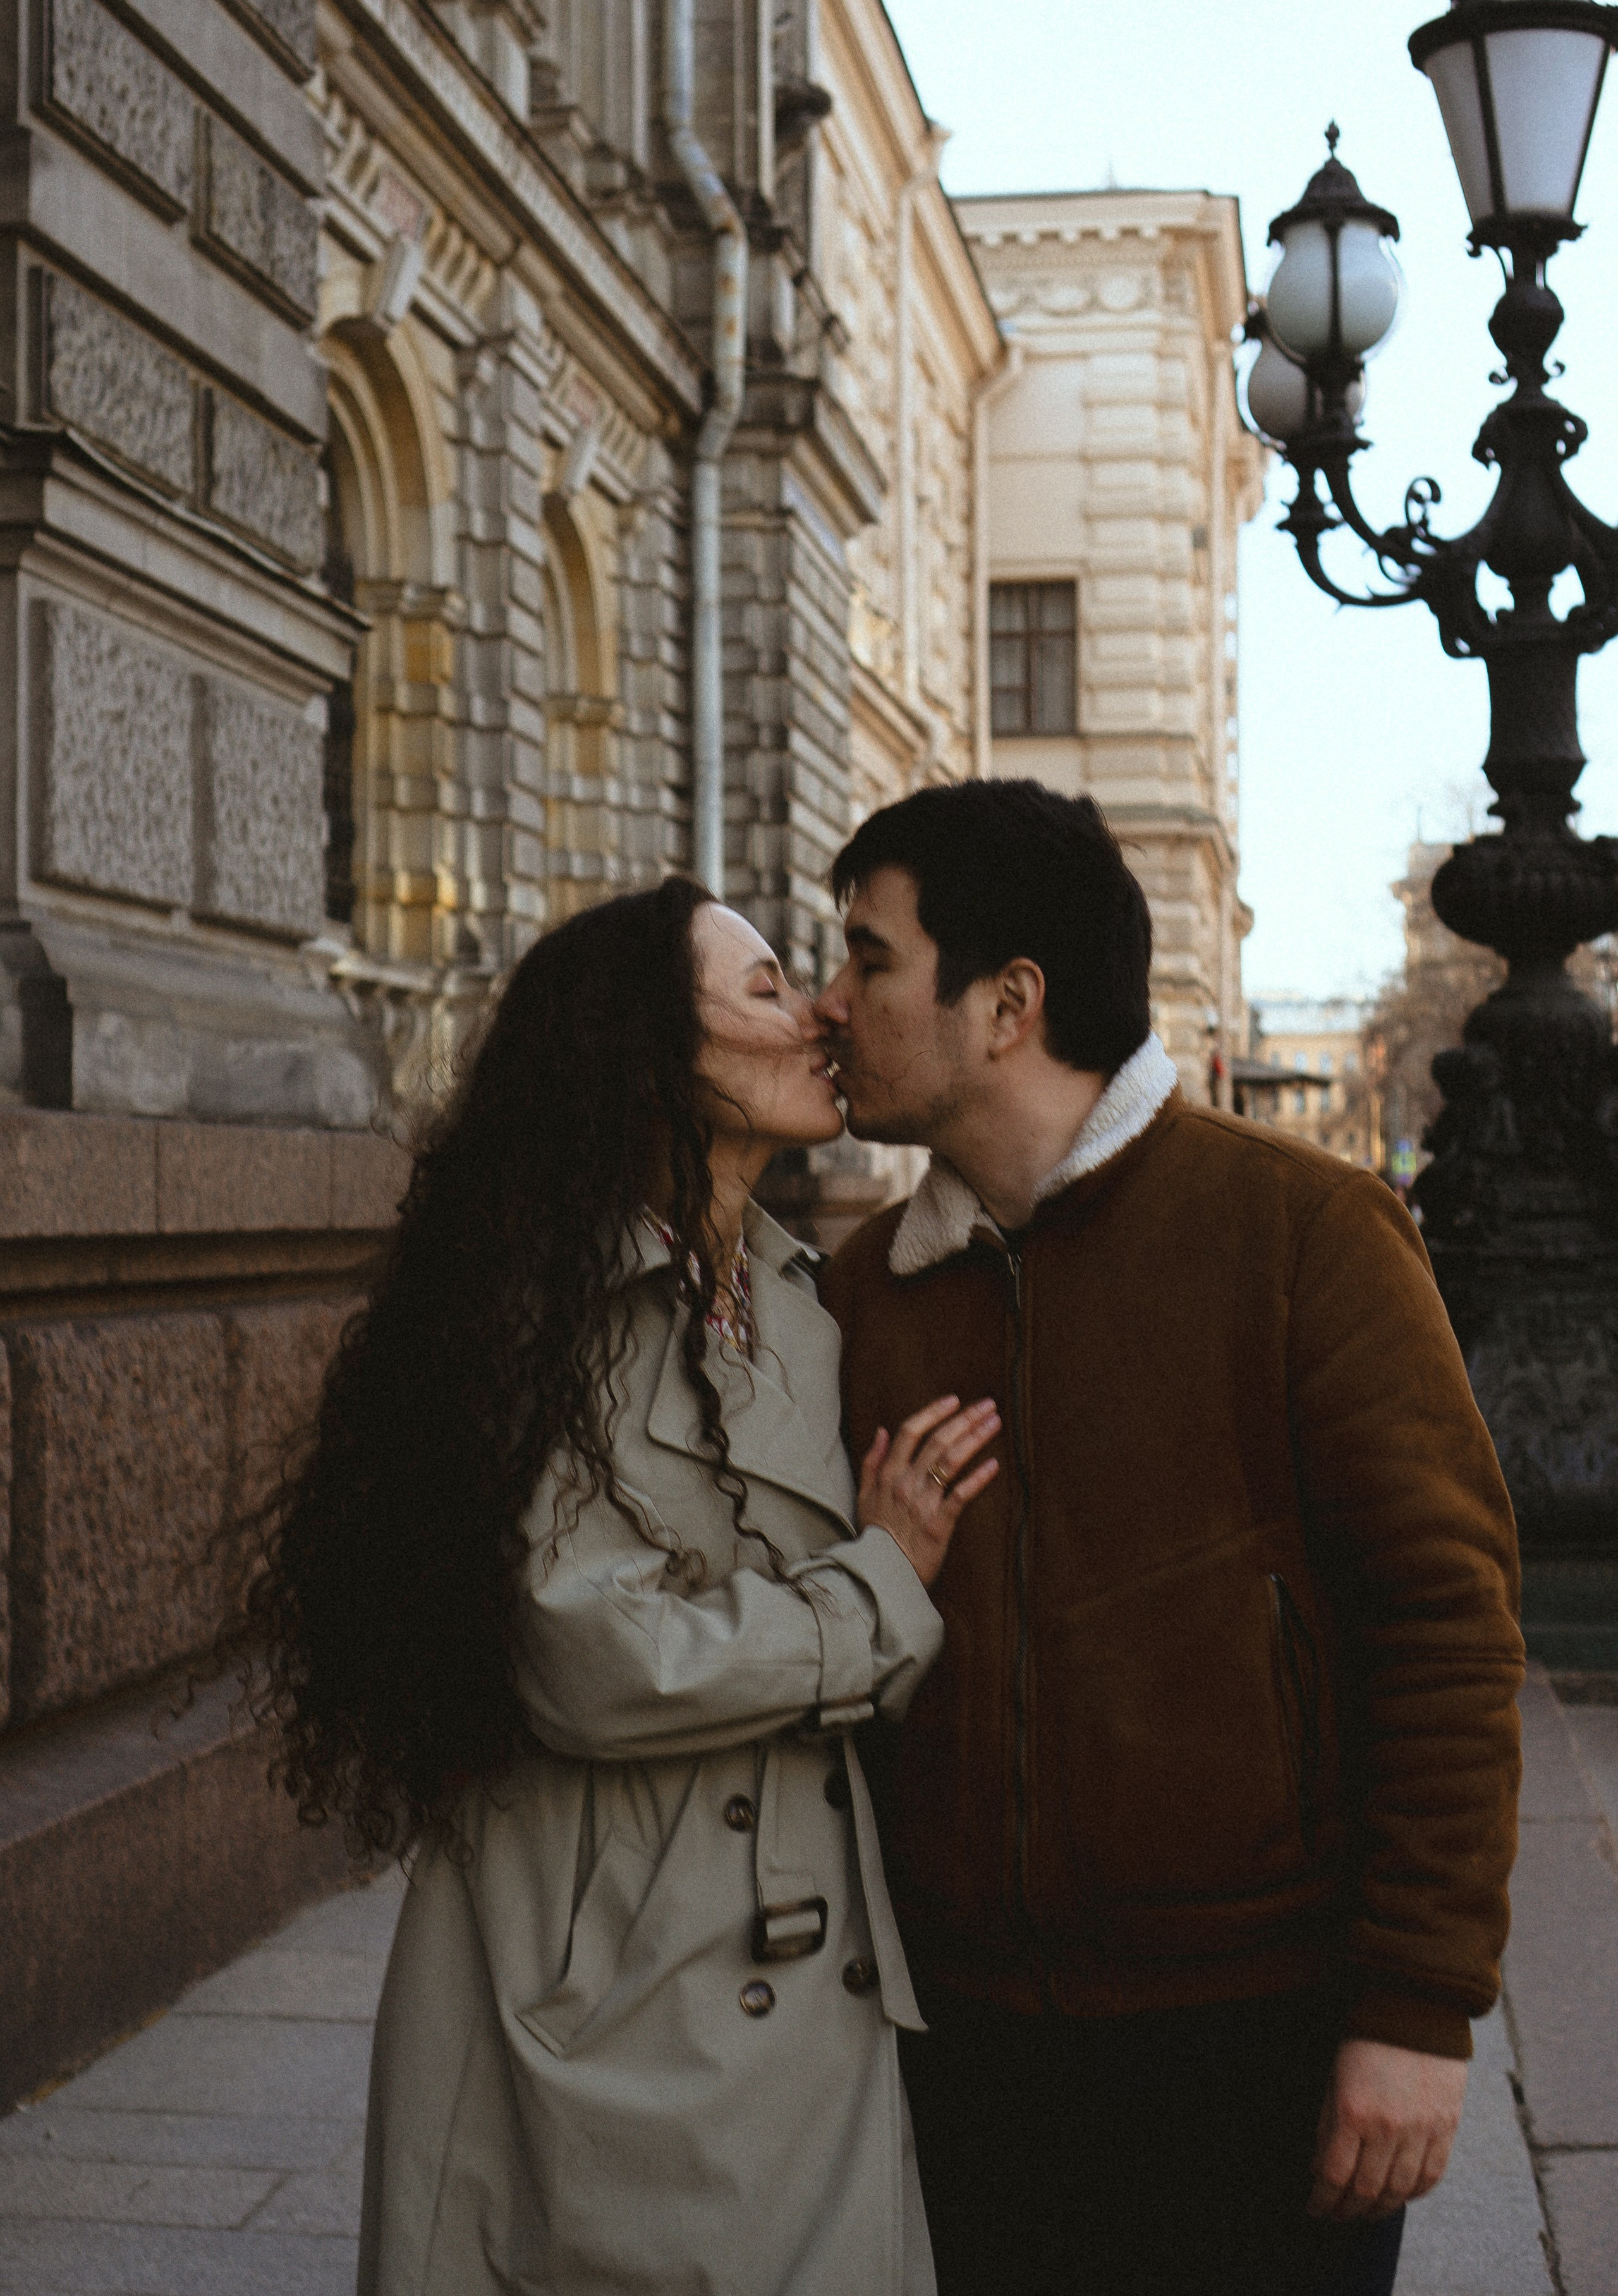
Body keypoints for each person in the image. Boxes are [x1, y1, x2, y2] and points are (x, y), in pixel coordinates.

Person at [815, 779, 1525, 2296]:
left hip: (1251, 2048)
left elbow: (1444, 1626)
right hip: (961, 2054)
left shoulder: (1300, 1233)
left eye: (868, 959)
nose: (832, 1001)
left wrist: (1414, 2010)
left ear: (1006, 1003)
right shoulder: (865, 1291)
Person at [248, 876, 1002, 2296]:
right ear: (653, 1051)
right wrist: (877, 1592)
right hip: (607, 1977)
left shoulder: (799, 1294)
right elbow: (587, 1655)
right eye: (767, 987)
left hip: (797, 1950)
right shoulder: (542, 1304)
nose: (818, 1015)